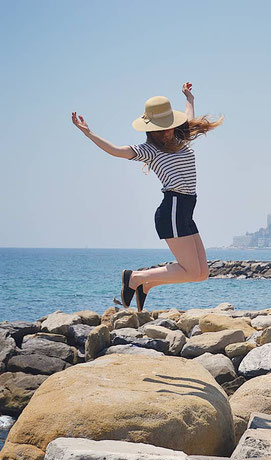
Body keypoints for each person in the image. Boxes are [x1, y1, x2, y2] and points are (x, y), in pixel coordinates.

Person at [72, 82, 223, 311]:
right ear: (150, 129)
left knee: (201, 273)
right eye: (161, 128)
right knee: (191, 270)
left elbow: (188, 117)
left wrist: (189, 99)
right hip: (172, 208)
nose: (167, 131)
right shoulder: (149, 150)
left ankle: (146, 285)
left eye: (169, 126)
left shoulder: (180, 139)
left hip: (185, 210)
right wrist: (88, 132)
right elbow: (116, 151)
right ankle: (134, 277)